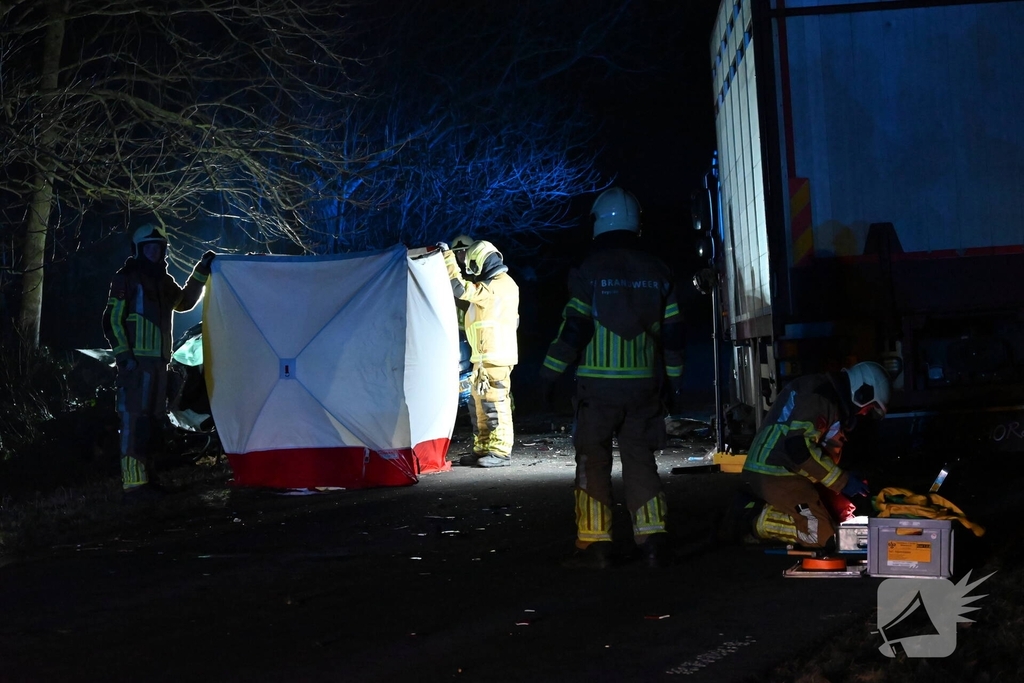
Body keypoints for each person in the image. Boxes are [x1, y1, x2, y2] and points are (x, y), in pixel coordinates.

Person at [539, 186, 685, 569]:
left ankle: (595, 546)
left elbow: (575, 328)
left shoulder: (588, 269)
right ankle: (653, 541)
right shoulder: (659, 270)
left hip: (597, 390)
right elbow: (673, 336)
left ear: (598, 222)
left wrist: (549, 375)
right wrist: (674, 382)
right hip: (644, 388)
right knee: (640, 461)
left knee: (593, 461)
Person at [102, 224, 216, 503]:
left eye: (159, 247)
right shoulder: (125, 279)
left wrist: (201, 271)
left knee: (152, 423)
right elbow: (112, 320)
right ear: (139, 250)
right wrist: (124, 356)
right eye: (149, 247)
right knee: (134, 421)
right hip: (136, 365)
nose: (155, 251)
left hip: (159, 365)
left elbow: (185, 302)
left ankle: (148, 481)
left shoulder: (164, 281)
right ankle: (133, 486)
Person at [736, 361, 891, 551]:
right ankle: (754, 520)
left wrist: (846, 479)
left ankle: (780, 508)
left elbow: (820, 451)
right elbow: (798, 448)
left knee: (841, 513)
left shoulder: (831, 400)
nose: (865, 413)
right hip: (775, 472)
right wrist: (843, 481)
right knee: (823, 535)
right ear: (862, 393)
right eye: (869, 407)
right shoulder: (820, 397)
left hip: (792, 472)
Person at [441, 239, 520, 467]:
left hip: (494, 357)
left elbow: (460, 288)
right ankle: (483, 448)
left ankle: (500, 452)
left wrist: (448, 258)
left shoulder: (497, 286)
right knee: (480, 407)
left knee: (495, 404)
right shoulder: (499, 284)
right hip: (484, 358)